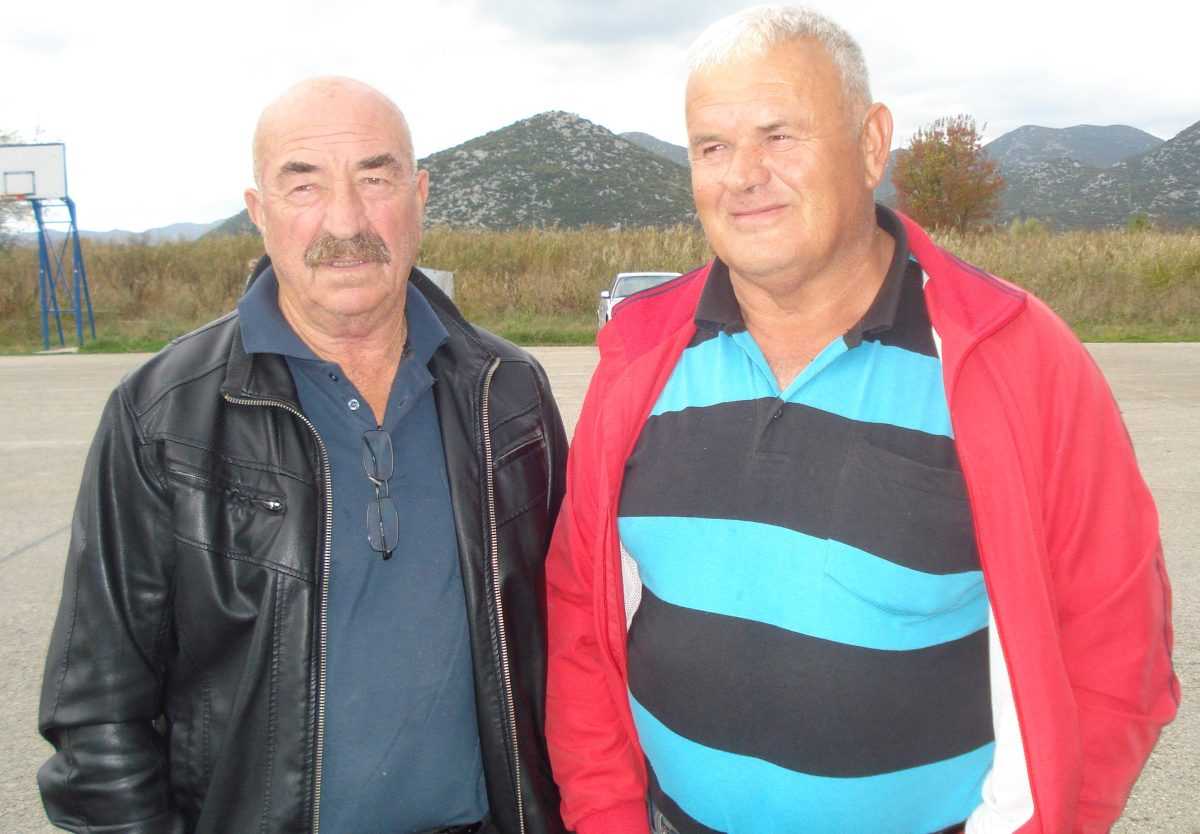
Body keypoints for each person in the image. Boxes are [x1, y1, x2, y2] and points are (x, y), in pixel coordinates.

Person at [544, 7, 1179, 834]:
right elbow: (582, 620)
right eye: (712, 147)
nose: (743, 176)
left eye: (780, 135)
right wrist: (606, 817)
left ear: (872, 144)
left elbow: (1118, 657)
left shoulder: (1014, 358)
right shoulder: (640, 356)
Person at [38, 77, 569, 834]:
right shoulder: (161, 413)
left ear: (419, 196)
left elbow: (571, 649)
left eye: (375, 179)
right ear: (259, 210)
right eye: (304, 184)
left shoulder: (507, 392)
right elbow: (98, 714)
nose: (346, 221)